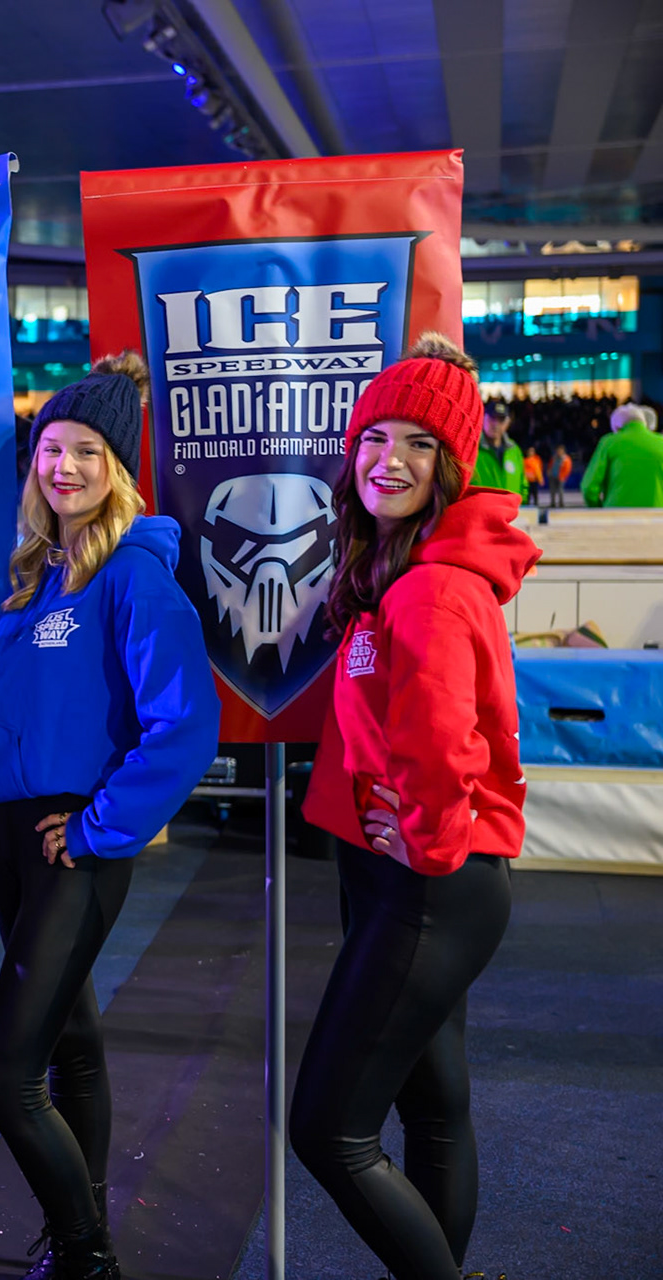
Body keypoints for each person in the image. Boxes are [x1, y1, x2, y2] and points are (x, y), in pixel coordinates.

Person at [0, 353, 219, 1280]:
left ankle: (84, 1250)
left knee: (4, 1074)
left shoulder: (134, 576)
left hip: (76, 840)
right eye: (50, 449)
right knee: (72, 1046)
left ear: (119, 465)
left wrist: (104, 824)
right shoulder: (40, 572)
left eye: (86, 451)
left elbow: (184, 724)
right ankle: (81, 1240)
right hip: (16, 834)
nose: (62, 467)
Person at [292, 334, 540, 1280]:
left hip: (430, 885)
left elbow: (446, 751)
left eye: (417, 445)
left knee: (328, 1128)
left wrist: (425, 848)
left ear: (450, 466)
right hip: (413, 877)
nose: (387, 460)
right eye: (373, 438)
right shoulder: (396, 567)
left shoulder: (430, 588)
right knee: (435, 1106)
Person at [581, 402, 663, 508]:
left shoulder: (609, 443)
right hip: (657, 517)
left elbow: (588, 487)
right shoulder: (661, 442)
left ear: (617, 427)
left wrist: (598, 509)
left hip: (617, 516)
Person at [471, 402, 524, 501]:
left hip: (510, 514)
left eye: (501, 420)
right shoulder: (471, 448)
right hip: (481, 514)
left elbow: (523, 483)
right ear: (482, 418)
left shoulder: (514, 450)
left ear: (508, 423)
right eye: (492, 418)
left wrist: (520, 505)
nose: (496, 424)